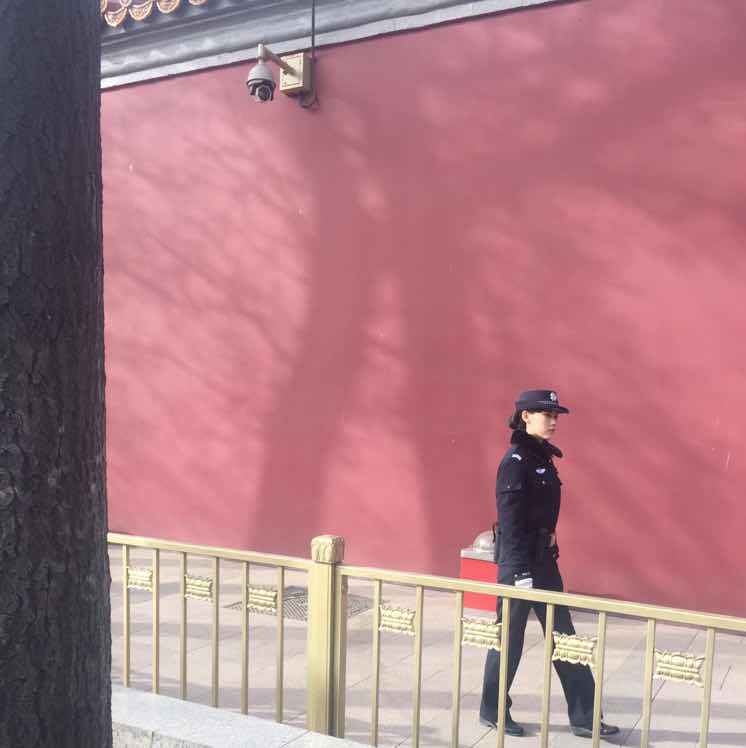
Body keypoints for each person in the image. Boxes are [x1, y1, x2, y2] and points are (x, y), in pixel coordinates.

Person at [479, 389, 619, 739]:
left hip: (543, 563)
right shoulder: (515, 462)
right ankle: (492, 709)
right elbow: (510, 523)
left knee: (564, 636)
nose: (554, 421)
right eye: (547, 414)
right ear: (525, 416)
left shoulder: (540, 457)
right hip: (519, 566)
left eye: (556, 415)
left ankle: (585, 716)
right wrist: (520, 573)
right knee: (508, 639)